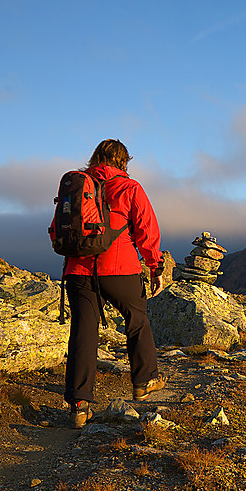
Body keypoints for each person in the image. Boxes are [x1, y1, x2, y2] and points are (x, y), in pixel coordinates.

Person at [60, 139, 166, 429]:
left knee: (83, 332)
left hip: (79, 270)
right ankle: (144, 381)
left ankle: (79, 406)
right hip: (120, 269)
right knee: (136, 319)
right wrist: (154, 266)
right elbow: (146, 229)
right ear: (124, 161)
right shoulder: (130, 188)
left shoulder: (78, 185)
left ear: (95, 157)